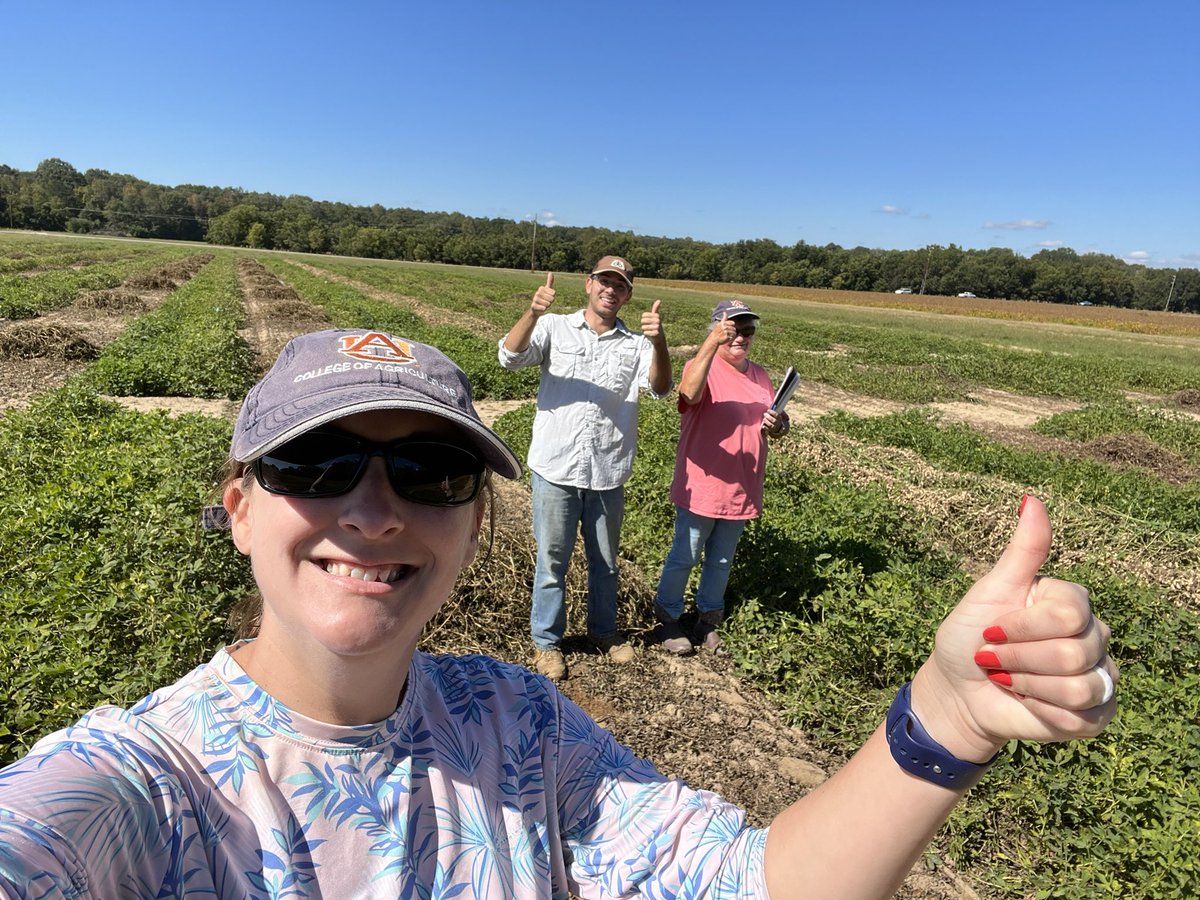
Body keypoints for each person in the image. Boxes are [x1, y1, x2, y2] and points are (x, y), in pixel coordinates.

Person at [0, 328, 1119, 899]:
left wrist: (944, 721)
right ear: (240, 508)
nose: (375, 510)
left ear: (472, 526)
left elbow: (749, 884)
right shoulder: (146, 785)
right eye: (319, 464)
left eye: (433, 472)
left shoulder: (519, 728)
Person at [498, 256, 672, 681]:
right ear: (589, 285)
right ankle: (547, 643)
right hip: (556, 469)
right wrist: (533, 311)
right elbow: (509, 357)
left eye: (621, 285)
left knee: (605, 561)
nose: (611, 290)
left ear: (628, 294)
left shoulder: (636, 344)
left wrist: (661, 342)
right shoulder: (554, 326)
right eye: (605, 281)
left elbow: (661, 389)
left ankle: (604, 632)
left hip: (607, 471)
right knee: (552, 561)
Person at [655, 298, 789, 655]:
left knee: (721, 559)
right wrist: (711, 345)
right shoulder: (701, 366)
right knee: (686, 554)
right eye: (732, 330)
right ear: (717, 329)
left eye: (747, 330)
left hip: (743, 486)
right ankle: (667, 617)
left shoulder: (760, 374)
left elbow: (772, 421)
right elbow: (688, 393)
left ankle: (707, 620)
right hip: (703, 482)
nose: (740, 337)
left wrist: (780, 425)